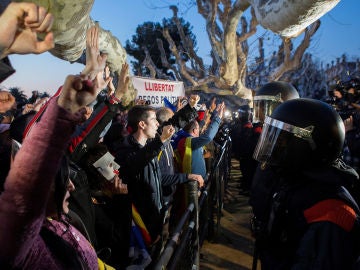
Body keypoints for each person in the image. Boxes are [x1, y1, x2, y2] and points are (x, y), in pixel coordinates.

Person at [250, 98, 360, 269]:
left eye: (283, 140)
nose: (276, 146)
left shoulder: (333, 212)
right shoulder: (294, 181)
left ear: (307, 144)